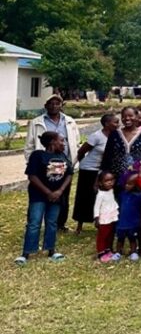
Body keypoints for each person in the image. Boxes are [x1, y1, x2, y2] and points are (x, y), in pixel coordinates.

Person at [24, 94, 81, 232]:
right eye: (51, 103)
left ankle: (60, 224)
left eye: (57, 103)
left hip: (63, 164)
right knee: (39, 194)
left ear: (61, 105)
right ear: (46, 106)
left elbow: (76, 142)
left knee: (62, 196)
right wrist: (33, 163)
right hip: (43, 165)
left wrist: (73, 163)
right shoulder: (37, 122)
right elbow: (29, 145)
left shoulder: (70, 121)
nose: (54, 106)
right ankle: (33, 223)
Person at [16, 132, 72, 265]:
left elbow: (69, 174)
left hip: (57, 196)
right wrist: (48, 192)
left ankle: (51, 250)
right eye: (61, 140)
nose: (63, 144)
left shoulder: (62, 156)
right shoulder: (38, 155)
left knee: (52, 222)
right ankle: (27, 252)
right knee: (34, 222)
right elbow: (32, 176)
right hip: (38, 195)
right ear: (52, 142)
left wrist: (59, 191)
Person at [73, 113, 118, 234]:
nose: (118, 124)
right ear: (107, 124)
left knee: (101, 196)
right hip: (88, 169)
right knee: (85, 197)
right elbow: (82, 151)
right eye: (115, 122)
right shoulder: (96, 136)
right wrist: (82, 163)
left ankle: (100, 222)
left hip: (102, 170)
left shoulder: (115, 136)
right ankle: (80, 225)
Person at [101, 107, 141, 195]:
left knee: (134, 204)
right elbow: (107, 156)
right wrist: (103, 175)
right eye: (124, 116)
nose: (127, 118)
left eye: (130, 115)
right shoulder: (114, 134)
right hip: (116, 179)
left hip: (135, 179)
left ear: (137, 117)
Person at [116, 172, 141, 261]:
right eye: (126, 183)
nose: (127, 186)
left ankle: (133, 252)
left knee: (132, 238)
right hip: (122, 221)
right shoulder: (122, 194)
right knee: (120, 238)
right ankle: (118, 252)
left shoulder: (139, 196)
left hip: (133, 221)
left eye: (130, 184)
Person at [93, 171, 119, 261]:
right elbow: (96, 207)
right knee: (102, 236)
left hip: (111, 216)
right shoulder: (100, 194)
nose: (110, 182)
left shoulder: (111, 190)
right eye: (106, 181)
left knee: (110, 234)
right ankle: (101, 252)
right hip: (104, 218)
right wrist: (96, 218)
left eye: (111, 180)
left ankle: (108, 249)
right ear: (100, 183)